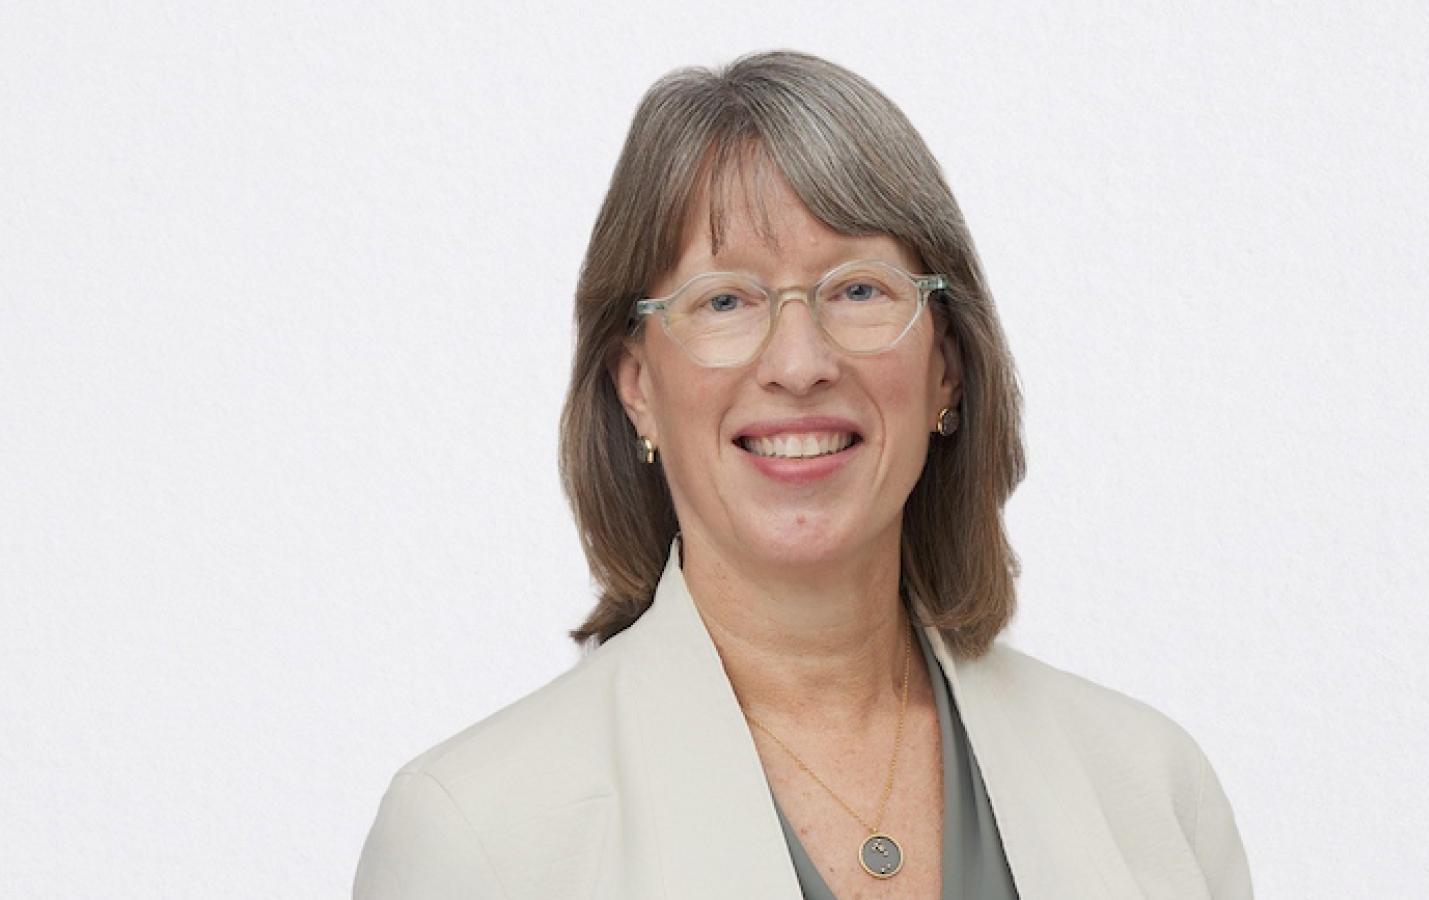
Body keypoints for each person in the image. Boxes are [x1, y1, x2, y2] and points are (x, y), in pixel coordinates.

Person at [353, 50, 1252, 900]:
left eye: (859, 289)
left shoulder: (1151, 789)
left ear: (946, 366)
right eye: (725, 300)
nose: (799, 361)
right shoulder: (476, 836)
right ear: (638, 390)